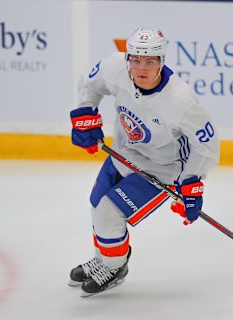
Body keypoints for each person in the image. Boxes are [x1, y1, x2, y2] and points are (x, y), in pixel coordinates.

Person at [68, 27, 220, 297]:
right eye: (136, 59)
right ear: (128, 58)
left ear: (162, 61)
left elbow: (206, 144)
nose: (141, 68)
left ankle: (115, 267)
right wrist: (84, 114)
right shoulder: (115, 66)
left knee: (108, 210)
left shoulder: (180, 100)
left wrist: (192, 182)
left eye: (150, 61)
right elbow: (89, 84)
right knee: (96, 202)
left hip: (162, 168)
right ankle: (104, 259)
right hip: (124, 152)